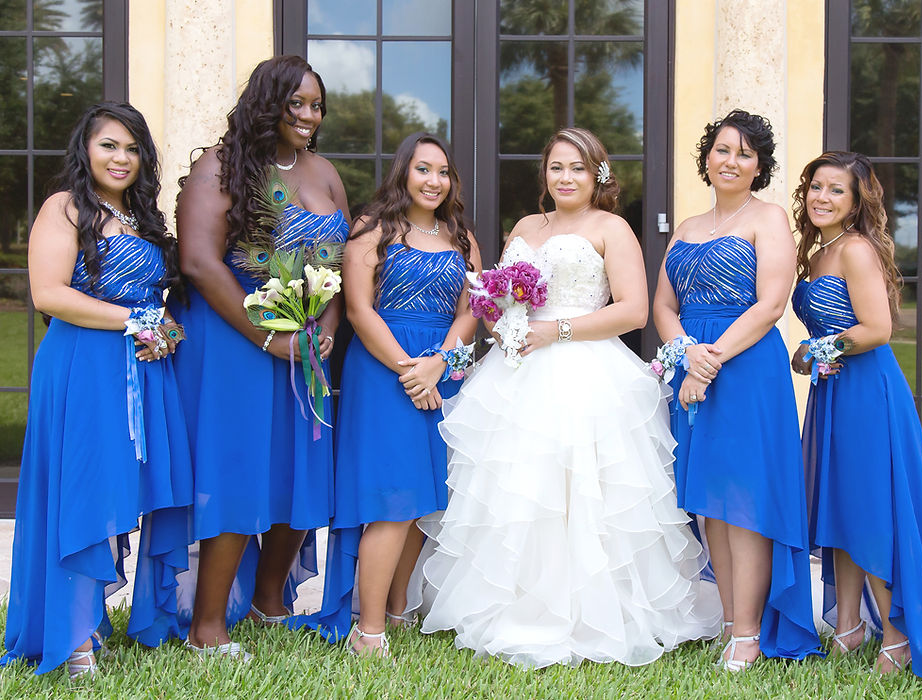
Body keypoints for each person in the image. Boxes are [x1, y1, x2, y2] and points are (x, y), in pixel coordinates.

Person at [421, 127, 721, 669]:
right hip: (515, 371)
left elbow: (632, 311)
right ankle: (512, 604)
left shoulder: (613, 228)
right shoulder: (525, 226)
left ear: (596, 175)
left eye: (577, 168)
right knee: (517, 489)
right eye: (556, 167)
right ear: (545, 173)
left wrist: (553, 330)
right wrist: (502, 317)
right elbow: (501, 299)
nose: (565, 178)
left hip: (586, 370)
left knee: (585, 490)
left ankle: (594, 612)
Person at [0, 102, 193, 678]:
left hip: (142, 368)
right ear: (85, 149)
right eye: (110, 145)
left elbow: (153, 301)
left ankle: (99, 617)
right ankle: (70, 633)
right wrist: (135, 322)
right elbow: (48, 294)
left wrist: (165, 329)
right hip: (83, 366)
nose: (122, 158)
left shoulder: (141, 217)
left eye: (133, 148)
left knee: (127, 489)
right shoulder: (64, 207)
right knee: (86, 490)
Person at [173, 55, 350, 658]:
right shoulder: (220, 168)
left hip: (306, 345)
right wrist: (271, 338)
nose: (307, 115)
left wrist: (322, 323)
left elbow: (340, 263)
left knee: (301, 469)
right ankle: (206, 628)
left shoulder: (324, 172)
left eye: (316, 105)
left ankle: (268, 601)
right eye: (295, 102)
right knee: (238, 471)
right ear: (266, 102)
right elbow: (199, 261)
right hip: (236, 342)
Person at [287, 132, 479, 658]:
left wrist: (439, 363)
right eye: (423, 169)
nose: (434, 181)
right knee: (391, 502)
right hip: (382, 369)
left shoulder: (461, 236)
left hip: (442, 368)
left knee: (425, 498)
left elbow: (472, 309)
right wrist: (407, 370)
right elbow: (358, 310)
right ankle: (366, 631)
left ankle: (397, 610)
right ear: (403, 173)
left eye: (443, 172)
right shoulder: (373, 230)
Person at [791, 151, 922, 681]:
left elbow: (876, 328)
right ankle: (849, 626)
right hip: (833, 392)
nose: (821, 198)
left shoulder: (854, 249)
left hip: (868, 394)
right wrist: (806, 357)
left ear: (855, 204)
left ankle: (896, 635)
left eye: (835, 191)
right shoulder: (816, 252)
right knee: (840, 505)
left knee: (870, 507)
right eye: (816, 187)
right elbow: (813, 344)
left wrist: (822, 350)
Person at [652, 110, 822, 671]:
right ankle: (729, 622)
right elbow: (662, 305)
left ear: (759, 167)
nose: (731, 161)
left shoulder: (769, 218)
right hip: (691, 363)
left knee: (744, 501)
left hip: (745, 367)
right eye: (723, 150)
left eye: (745, 154)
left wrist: (711, 359)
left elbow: (771, 303)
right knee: (709, 502)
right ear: (707, 158)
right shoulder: (686, 227)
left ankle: (749, 633)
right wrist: (684, 353)